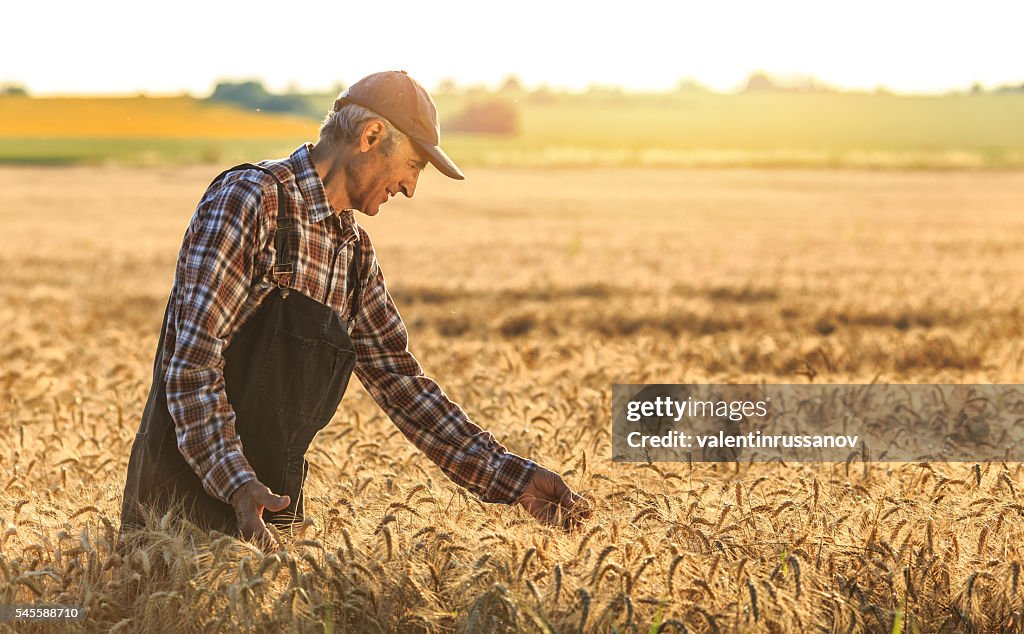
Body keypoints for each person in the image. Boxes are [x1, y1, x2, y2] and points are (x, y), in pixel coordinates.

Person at [120, 71, 589, 546]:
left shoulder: (353, 253)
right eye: (414, 166)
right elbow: (192, 366)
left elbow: (401, 382)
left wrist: (516, 480)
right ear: (371, 136)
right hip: (177, 513)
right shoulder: (252, 199)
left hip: (269, 511)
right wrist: (236, 481)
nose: (410, 188)